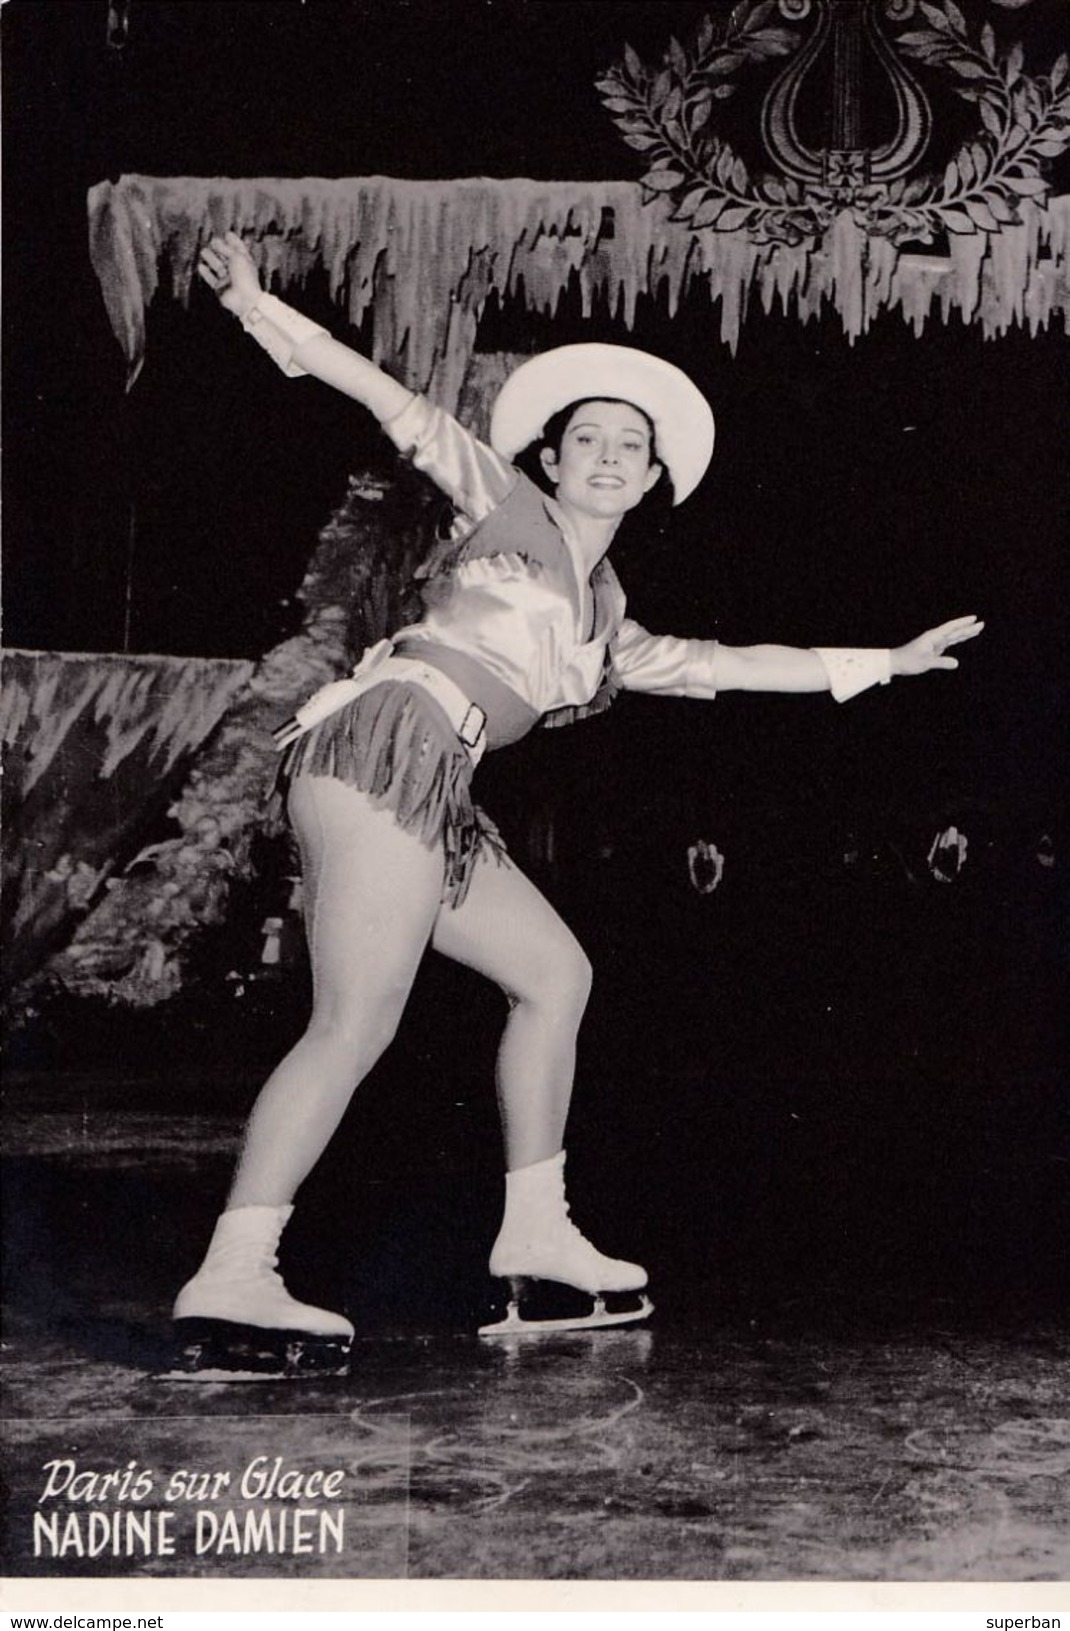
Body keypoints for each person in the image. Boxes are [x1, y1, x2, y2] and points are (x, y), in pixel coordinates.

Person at [170, 231, 983, 1377]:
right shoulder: (500, 505)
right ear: (549, 461)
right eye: (586, 439)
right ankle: (236, 1267)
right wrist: (259, 308)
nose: (606, 456)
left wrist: (881, 662)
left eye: (629, 446)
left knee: (555, 975)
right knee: (355, 1021)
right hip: (386, 742)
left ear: (654, 479)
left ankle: (536, 1229)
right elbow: (387, 399)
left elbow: (725, 663)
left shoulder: (605, 619)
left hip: (436, 787)